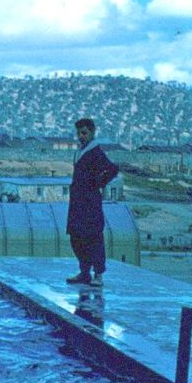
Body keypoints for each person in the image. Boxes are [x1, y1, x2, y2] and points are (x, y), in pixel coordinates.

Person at [65, 118, 119, 287]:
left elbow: (112, 169)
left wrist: (97, 183)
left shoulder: (96, 152)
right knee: (76, 237)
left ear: (92, 133)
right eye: (79, 133)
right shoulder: (80, 151)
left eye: (84, 133)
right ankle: (84, 271)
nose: (81, 136)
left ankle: (98, 274)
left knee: (93, 237)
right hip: (77, 202)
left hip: (90, 202)